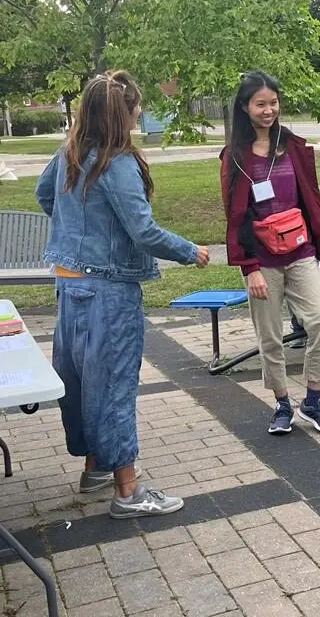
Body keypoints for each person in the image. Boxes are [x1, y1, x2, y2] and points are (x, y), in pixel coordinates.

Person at [35, 71, 210, 518]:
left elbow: (44, 196)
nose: (139, 113)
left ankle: (95, 467)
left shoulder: (69, 154)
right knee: (112, 387)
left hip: (68, 285)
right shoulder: (118, 162)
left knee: (77, 383)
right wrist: (191, 252)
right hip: (108, 293)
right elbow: (143, 231)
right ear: (124, 112)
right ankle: (128, 493)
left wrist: (80, 229)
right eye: (136, 107)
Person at [221, 71, 320, 436]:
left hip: (301, 251)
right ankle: (282, 404)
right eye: (261, 104)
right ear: (245, 108)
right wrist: (249, 267)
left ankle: (313, 399)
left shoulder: (295, 147)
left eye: (273, 102)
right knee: (270, 338)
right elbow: (234, 216)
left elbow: (312, 202)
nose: (269, 110)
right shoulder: (235, 157)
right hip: (263, 261)